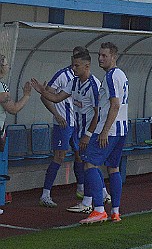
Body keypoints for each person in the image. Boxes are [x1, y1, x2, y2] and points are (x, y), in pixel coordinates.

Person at [31, 51, 105, 214]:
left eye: (76, 65)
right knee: (86, 163)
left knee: (89, 164)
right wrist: (42, 91)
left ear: (86, 66)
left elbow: (98, 114)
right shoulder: (72, 81)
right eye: (73, 64)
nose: (73, 68)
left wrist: (88, 134)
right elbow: (56, 97)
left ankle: (94, 203)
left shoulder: (94, 85)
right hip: (74, 128)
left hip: (89, 132)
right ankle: (94, 199)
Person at [79, 42, 129, 224]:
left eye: (104, 56)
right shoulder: (121, 75)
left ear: (113, 57)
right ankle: (115, 211)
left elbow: (114, 104)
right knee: (113, 168)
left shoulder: (111, 76)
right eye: (99, 55)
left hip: (110, 129)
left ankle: (99, 209)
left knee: (89, 164)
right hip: (122, 129)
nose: (100, 58)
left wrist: (104, 131)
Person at [38, 46, 86, 208]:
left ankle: (81, 188)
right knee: (60, 156)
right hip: (63, 124)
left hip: (77, 124)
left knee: (80, 154)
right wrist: (57, 115)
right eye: (74, 59)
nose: (75, 63)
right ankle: (45, 194)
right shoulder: (62, 75)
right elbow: (45, 97)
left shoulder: (84, 78)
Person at [0, 54, 31, 215]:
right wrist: (27, 95)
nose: (8, 67)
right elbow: (13, 108)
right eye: (6, 64)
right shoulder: (1, 88)